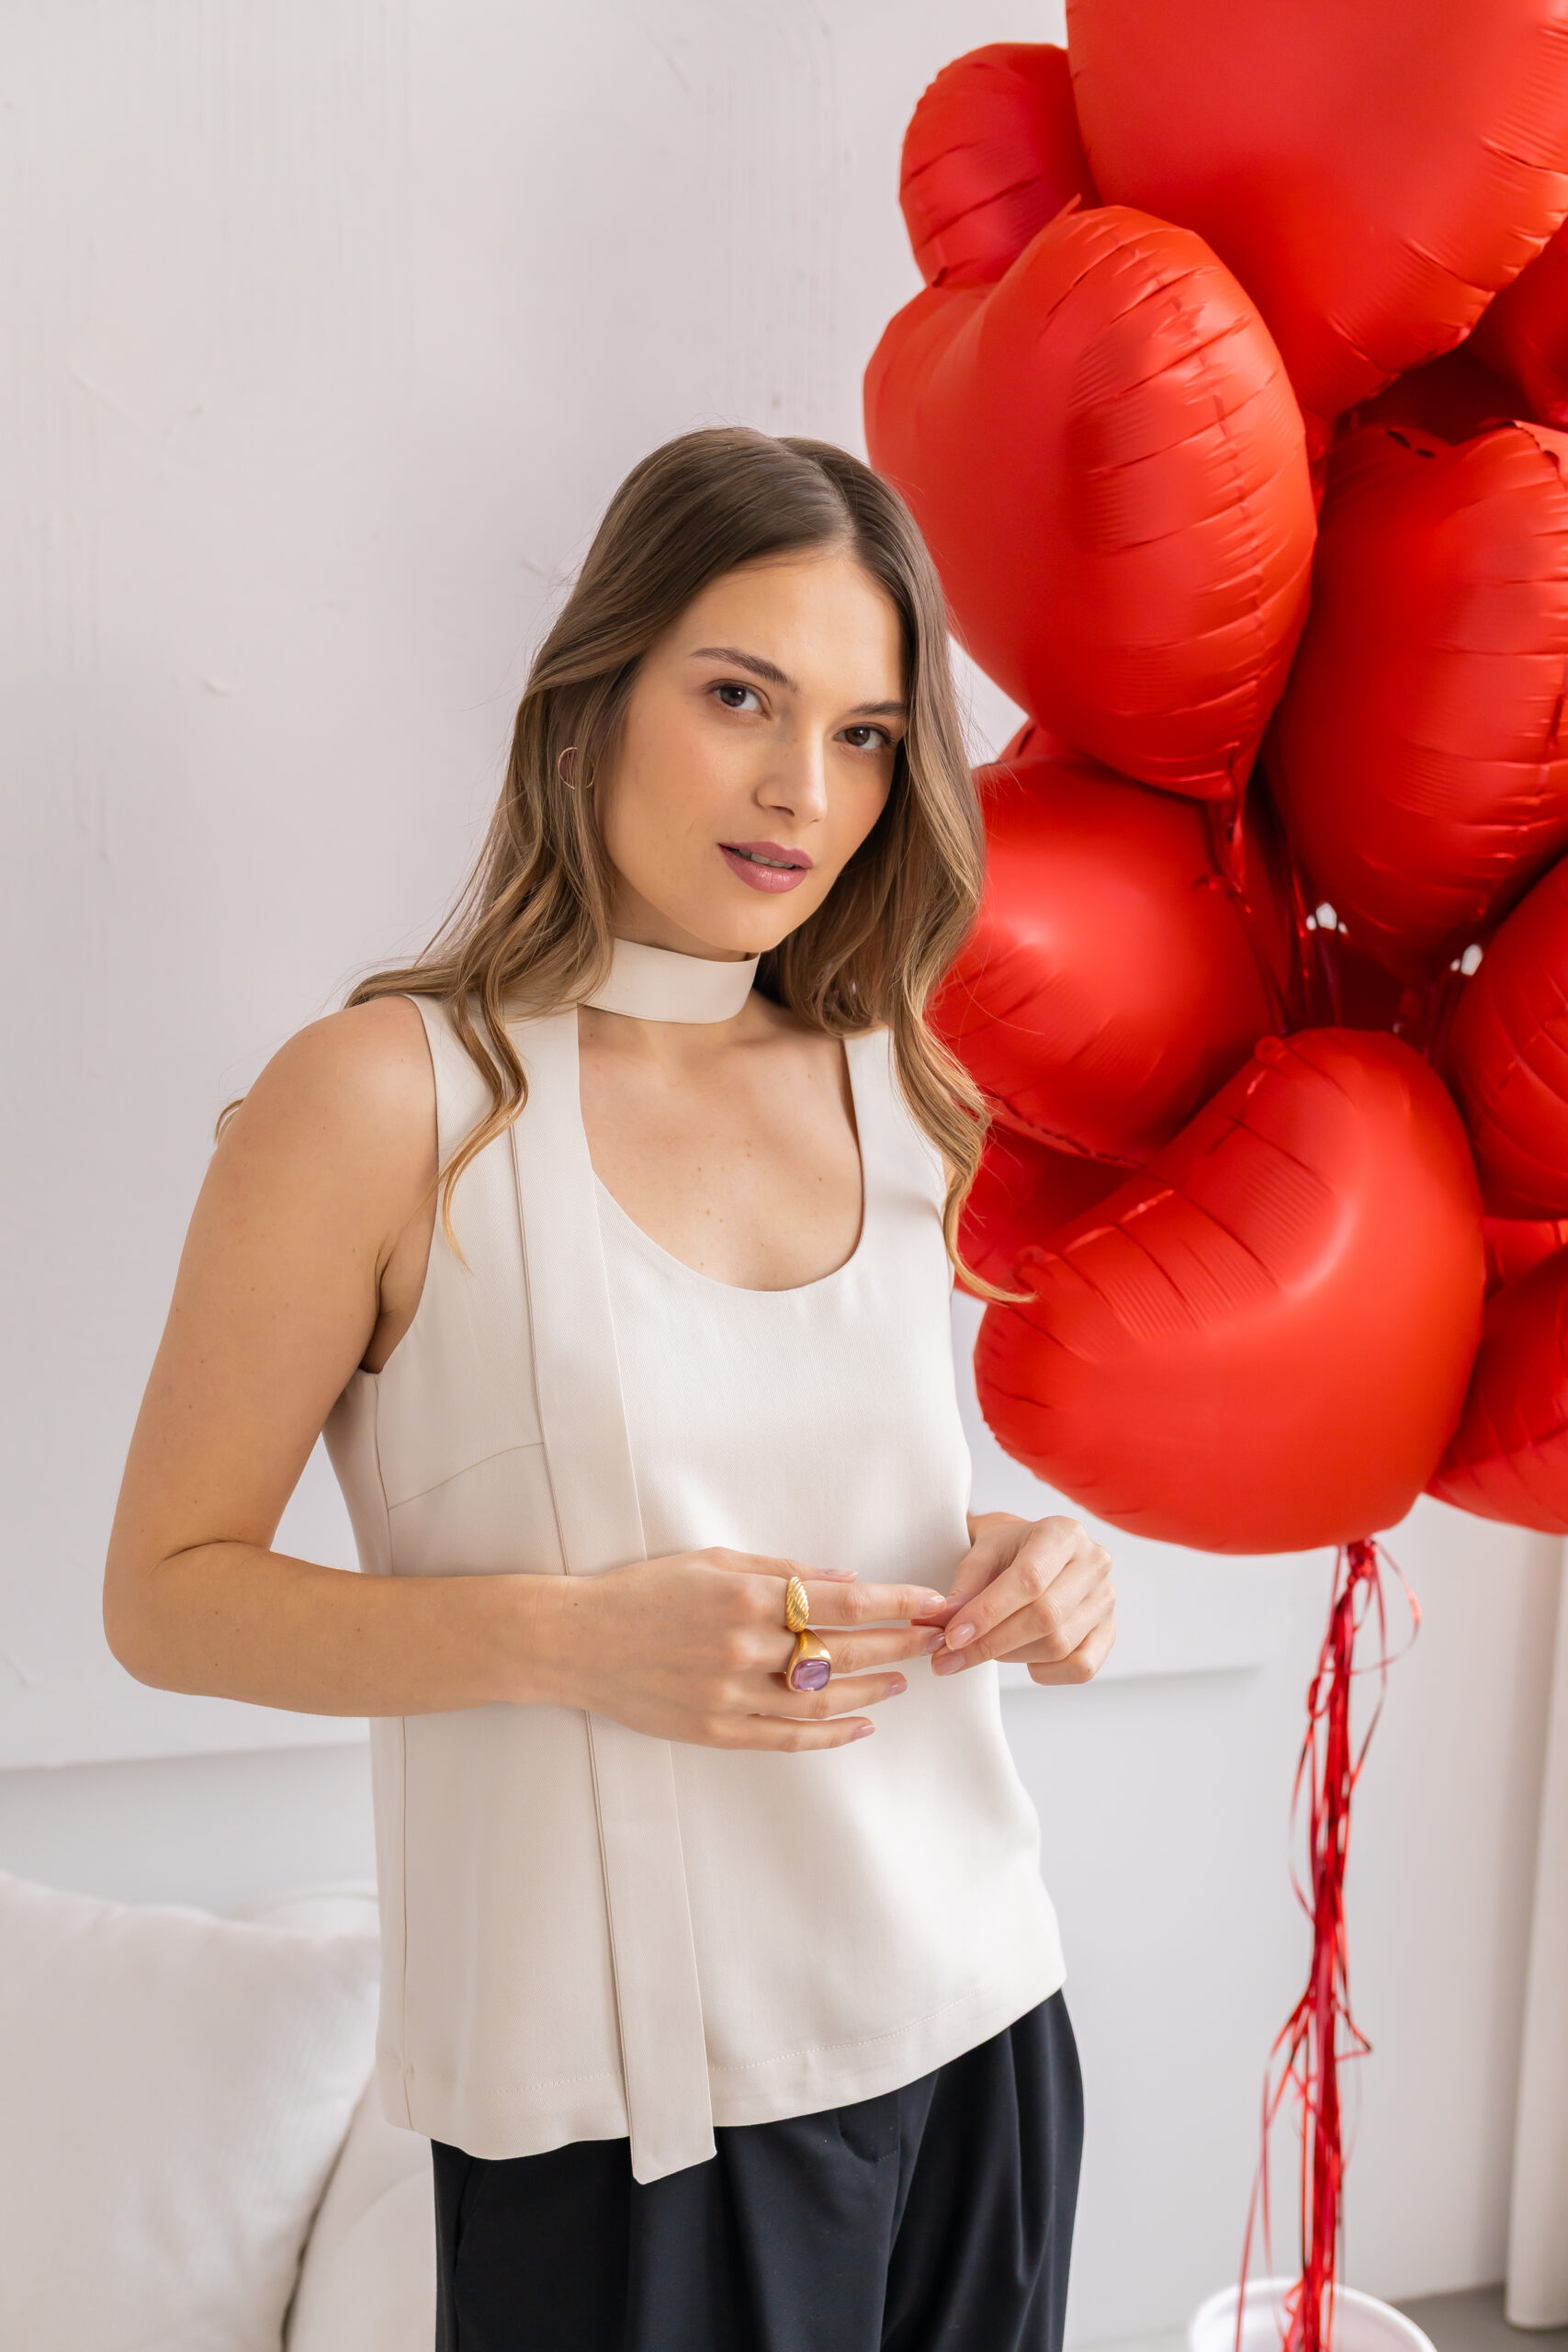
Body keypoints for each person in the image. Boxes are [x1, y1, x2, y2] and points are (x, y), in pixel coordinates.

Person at [103, 426, 1117, 2352]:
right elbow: (163, 1593)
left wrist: (1030, 1565)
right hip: (624, 2117)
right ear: (593, 694)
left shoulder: (904, 1089)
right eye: (739, 696)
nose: (799, 787)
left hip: (981, 2016)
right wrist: (574, 1640)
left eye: (863, 734)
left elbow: (827, 1499)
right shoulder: (386, 1098)